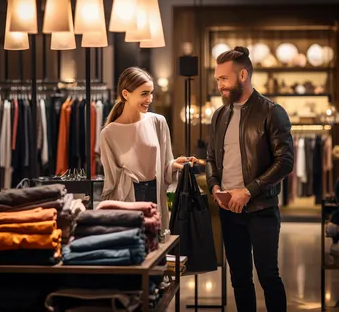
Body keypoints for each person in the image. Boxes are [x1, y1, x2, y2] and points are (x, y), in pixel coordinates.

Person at [206, 46, 294, 312]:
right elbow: (210, 158)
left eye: (224, 78)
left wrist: (249, 190)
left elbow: (285, 161)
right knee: (240, 279)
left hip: (261, 209)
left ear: (243, 74)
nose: (219, 84)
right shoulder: (220, 115)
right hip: (228, 210)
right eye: (218, 79)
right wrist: (215, 187)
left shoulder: (271, 112)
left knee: (268, 276)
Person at [100, 66, 197, 231]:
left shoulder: (158, 122)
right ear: (125, 94)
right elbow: (111, 183)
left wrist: (173, 164)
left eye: (151, 93)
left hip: (155, 194)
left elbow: (165, 164)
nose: (150, 99)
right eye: (144, 93)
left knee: (157, 246)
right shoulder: (108, 133)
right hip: (127, 199)